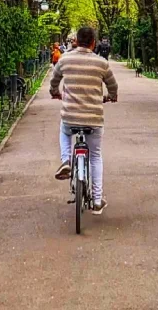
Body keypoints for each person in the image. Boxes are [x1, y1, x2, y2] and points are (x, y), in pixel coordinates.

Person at [49, 25, 118, 214]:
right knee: (95, 156)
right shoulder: (101, 63)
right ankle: (97, 200)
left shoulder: (65, 59)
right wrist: (112, 96)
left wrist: (55, 92)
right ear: (93, 43)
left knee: (64, 129)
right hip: (94, 119)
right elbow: (113, 85)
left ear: (77, 41)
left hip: (70, 117)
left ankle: (66, 161)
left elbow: (54, 81)